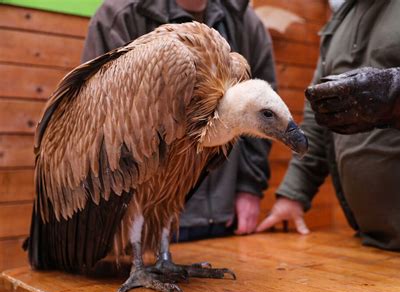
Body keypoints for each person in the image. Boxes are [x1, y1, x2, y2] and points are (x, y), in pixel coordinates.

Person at [258, 0, 400, 258]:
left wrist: (397, 88)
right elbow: (319, 118)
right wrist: (293, 195)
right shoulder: (338, 24)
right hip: (368, 246)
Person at [82, 0, 277, 241]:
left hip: (223, 212)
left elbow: (263, 109)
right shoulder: (119, 15)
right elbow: (96, 123)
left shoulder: (243, 19)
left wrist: (250, 187)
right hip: (133, 221)